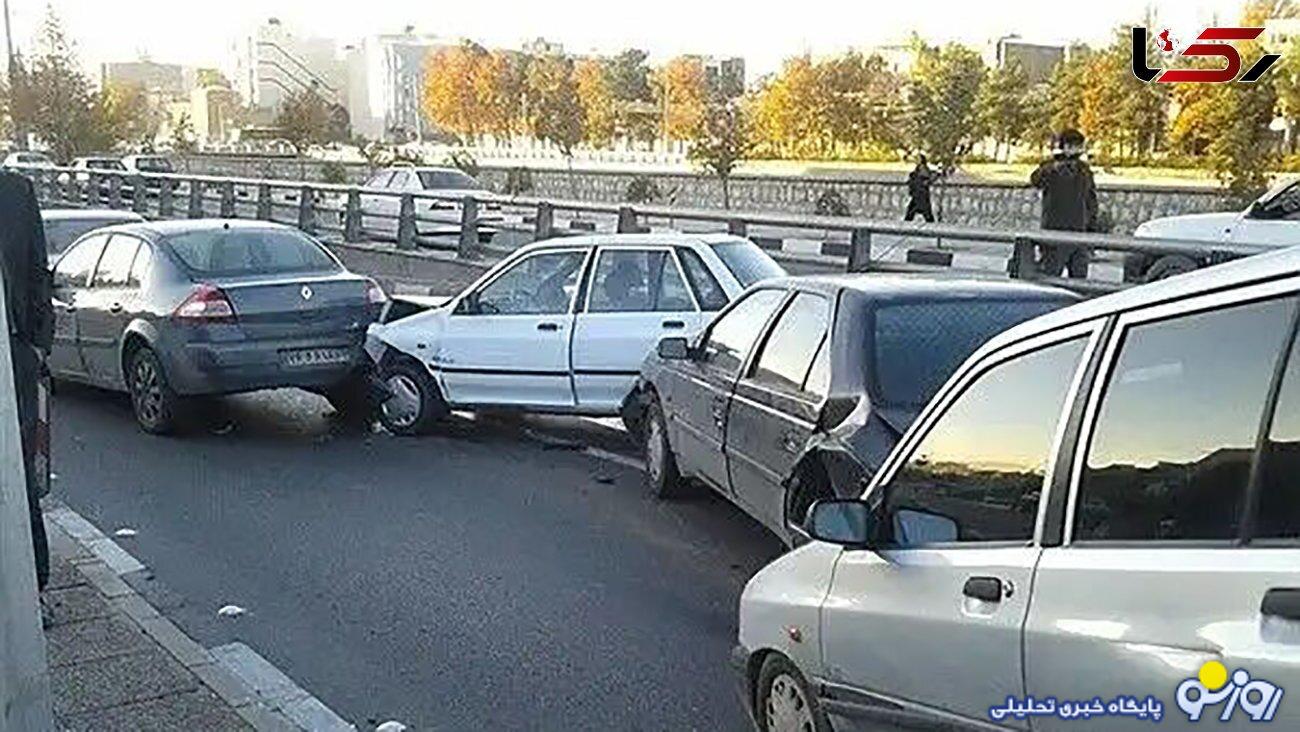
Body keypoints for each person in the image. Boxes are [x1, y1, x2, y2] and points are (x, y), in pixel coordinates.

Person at [0, 171, 53, 591]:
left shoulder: (16, 192)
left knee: (18, 472)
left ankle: (32, 588)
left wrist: (38, 344)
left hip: (13, 352)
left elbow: (38, 271)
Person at [1030, 129, 1098, 279]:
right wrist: (1054, 165)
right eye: (1072, 145)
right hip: (1055, 232)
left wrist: (1092, 229)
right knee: (1050, 276)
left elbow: (1091, 201)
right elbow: (1035, 180)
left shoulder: (1083, 170)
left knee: (1079, 279)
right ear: (1064, 146)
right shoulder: (1051, 166)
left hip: (1080, 232)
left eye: (1078, 146)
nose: (1076, 149)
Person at [905, 155, 936, 223]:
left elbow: (930, 176)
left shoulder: (923, 169)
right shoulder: (918, 169)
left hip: (921, 194)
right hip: (917, 193)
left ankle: (930, 223)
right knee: (912, 210)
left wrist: (927, 182)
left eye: (918, 159)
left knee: (924, 211)